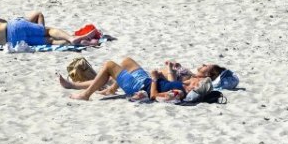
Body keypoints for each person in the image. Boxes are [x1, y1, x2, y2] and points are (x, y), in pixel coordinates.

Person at [59, 57, 223, 102]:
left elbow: (154, 96)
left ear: (195, 87)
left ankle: (85, 94)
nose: (196, 80)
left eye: (198, 83)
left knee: (109, 65)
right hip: (145, 80)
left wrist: (155, 79)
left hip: (139, 86)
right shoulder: (184, 86)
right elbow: (168, 82)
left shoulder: (179, 93)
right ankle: (111, 89)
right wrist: (165, 74)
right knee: (126, 61)